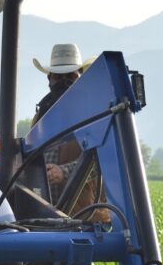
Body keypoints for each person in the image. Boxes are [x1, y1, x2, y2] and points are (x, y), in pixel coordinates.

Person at [30, 44, 107, 221]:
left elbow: (102, 161)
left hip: (86, 218)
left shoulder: (95, 113)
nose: (64, 81)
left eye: (70, 76)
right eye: (58, 77)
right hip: (46, 217)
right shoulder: (40, 117)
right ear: (49, 79)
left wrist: (63, 172)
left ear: (80, 77)